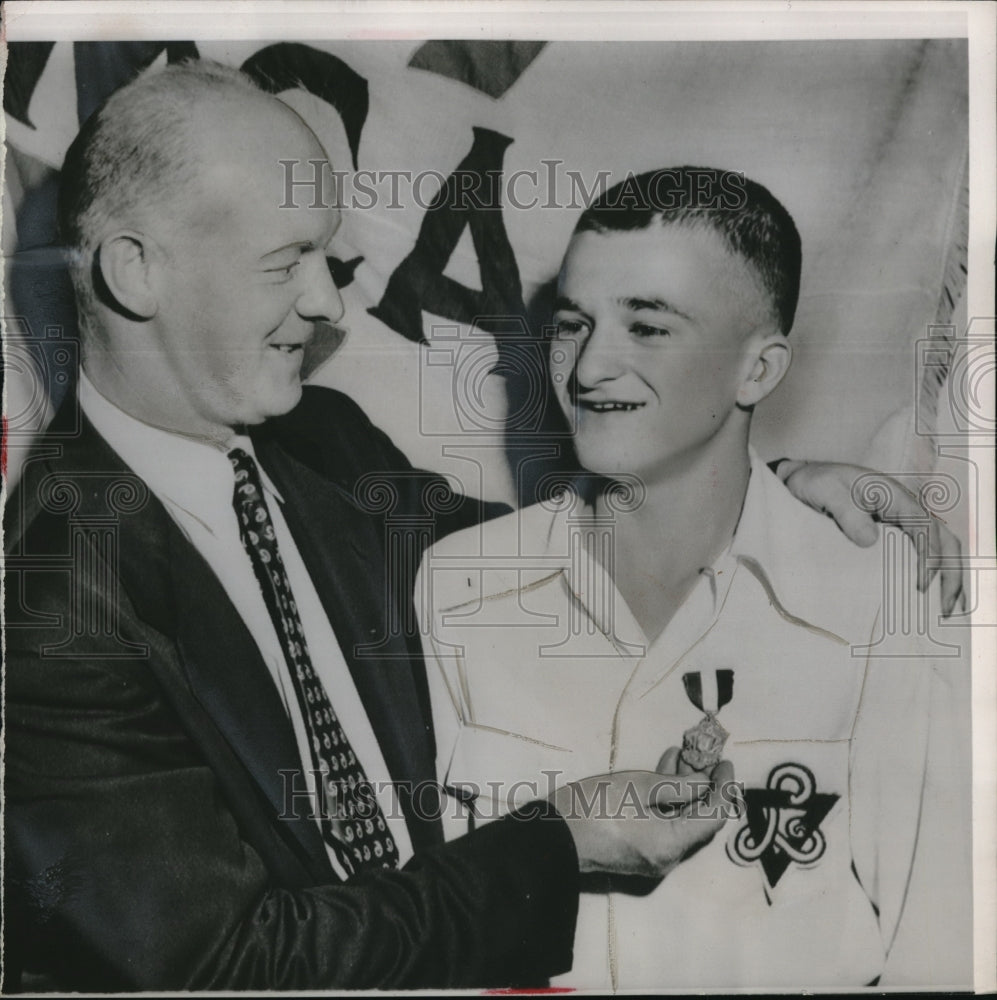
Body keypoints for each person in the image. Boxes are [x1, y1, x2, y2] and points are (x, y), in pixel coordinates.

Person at [1, 62, 961, 991]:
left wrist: (773, 487)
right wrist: (560, 838)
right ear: (136, 272)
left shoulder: (318, 439)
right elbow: (229, 969)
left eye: (328, 260)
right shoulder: (53, 590)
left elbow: (544, 544)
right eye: (286, 262)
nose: (328, 304)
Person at [417, 168, 972, 990]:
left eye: (647, 326)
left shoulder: (885, 598)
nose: (588, 368)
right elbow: (425, 916)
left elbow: (943, 949)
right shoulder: (457, 586)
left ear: (756, 370)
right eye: (573, 324)